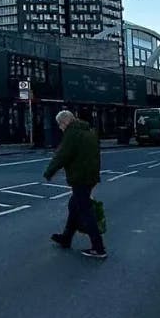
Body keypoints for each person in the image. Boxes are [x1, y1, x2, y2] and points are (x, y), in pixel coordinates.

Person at [45, 110, 106, 259]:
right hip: (91, 176)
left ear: (65, 122)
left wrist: (49, 171)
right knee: (74, 205)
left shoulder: (72, 134)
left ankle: (98, 248)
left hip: (80, 177)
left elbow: (62, 155)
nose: (60, 128)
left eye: (60, 125)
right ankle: (66, 238)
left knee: (86, 211)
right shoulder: (89, 131)